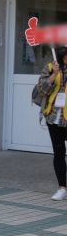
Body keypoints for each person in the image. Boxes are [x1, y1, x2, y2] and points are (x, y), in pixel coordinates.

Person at [34, 45, 67, 201]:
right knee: (59, 153)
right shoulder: (50, 67)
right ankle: (62, 187)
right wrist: (54, 74)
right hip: (54, 117)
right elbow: (42, 90)